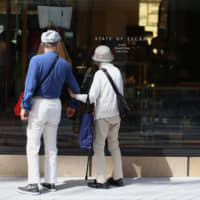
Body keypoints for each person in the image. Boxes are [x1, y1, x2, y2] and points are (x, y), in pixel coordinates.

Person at [18, 30, 80, 195]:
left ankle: (33, 183)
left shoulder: (36, 61)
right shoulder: (64, 64)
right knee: (51, 145)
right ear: (58, 45)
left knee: (33, 145)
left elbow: (29, 87)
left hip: (39, 104)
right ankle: (51, 181)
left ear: (42, 44)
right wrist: (73, 105)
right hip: (56, 105)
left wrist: (25, 106)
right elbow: (75, 89)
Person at [69, 45, 124, 189]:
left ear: (97, 60)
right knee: (114, 145)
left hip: (103, 114)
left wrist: (76, 96)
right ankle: (118, 177)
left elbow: (92, 98)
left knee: (99, 146)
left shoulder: (99, 74)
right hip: (116, 113)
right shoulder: (117, 71)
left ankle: (101, 180)